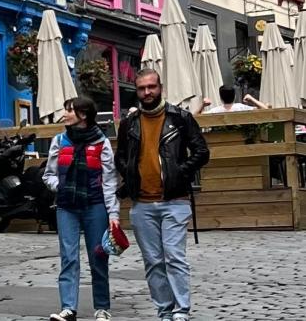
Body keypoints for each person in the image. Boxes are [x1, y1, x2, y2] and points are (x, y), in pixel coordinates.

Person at [115, 69, 210, 321]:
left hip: (174, 201)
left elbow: (202, 152)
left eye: (151, 87)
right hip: (142, 204)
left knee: (174, 257)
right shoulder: (129, 123)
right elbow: (120, 156)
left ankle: (181, 309)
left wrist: (180, 172)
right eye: (141, 88)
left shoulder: (180, 118)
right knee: (153, 262)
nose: (147, 93)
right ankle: (164, 310)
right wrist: (130, 174)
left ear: (161, 87)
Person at [43, 96, 120, 321]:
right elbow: (49, 175)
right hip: (66, 207)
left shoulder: (101, 143)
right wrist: (62, 187)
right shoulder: (59, 141)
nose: (64, 114)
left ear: (82, 115)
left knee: (98, 257)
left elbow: (109, 181)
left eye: (68, 110)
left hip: (94, 205)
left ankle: (102, 308)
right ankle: (68, 308)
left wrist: (113, 214)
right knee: (69, 258)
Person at [203, 85, 269, 114]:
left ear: (220, 98)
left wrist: (203, 105)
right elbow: (266, 110)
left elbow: (196, 116)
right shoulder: (241, 107)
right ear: (235, 96)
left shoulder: (215, 110)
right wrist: (251, 99)